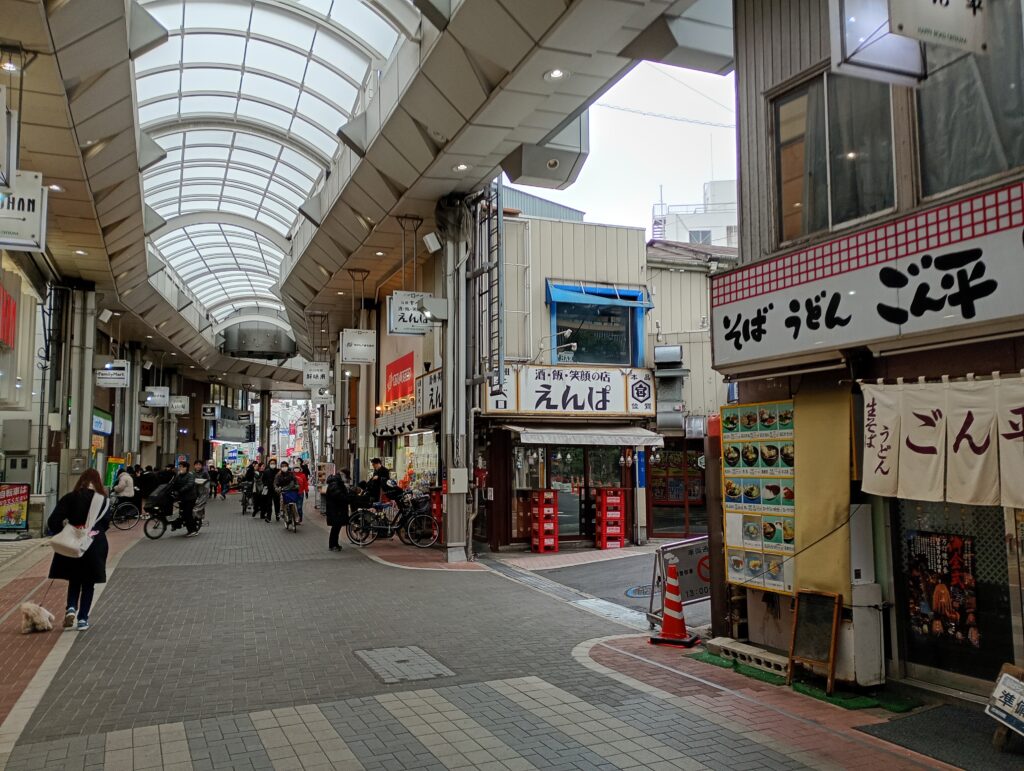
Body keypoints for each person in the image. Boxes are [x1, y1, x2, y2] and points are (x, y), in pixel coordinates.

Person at [47, 469, 111, 632]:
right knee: (89, 583)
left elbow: (53, 521)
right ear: (98, 482)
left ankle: (71, 608)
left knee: (74, 578)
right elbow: (105, 524)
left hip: (72, 543)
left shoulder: (70, 497)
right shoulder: (104, 501)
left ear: (81, 481)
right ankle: (82, 619)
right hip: (94, 543)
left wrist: (64, 531)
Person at [168, 461, 200, 536]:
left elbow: (189, 485)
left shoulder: (190, 475)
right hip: (182, 498)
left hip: (190, 498)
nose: (179, 468)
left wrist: (179, 491)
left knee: (187, 514)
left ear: (186, 468)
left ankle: (193, 531)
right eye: (179, 466)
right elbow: (173, 484)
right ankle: (185, 527)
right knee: (183, 514)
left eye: (181, 467)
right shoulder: (179, 475)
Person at [323, 469, 351, 552]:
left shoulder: (337, 482)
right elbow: (338, 495)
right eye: (346, 477)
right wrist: (346, 498)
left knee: (337, 527)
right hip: (335, 509)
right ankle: (332, 545)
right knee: (335, 527)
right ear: (343, 475)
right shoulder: (335, 484)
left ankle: (335, 544)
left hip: (337, 509)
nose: (346, 480)